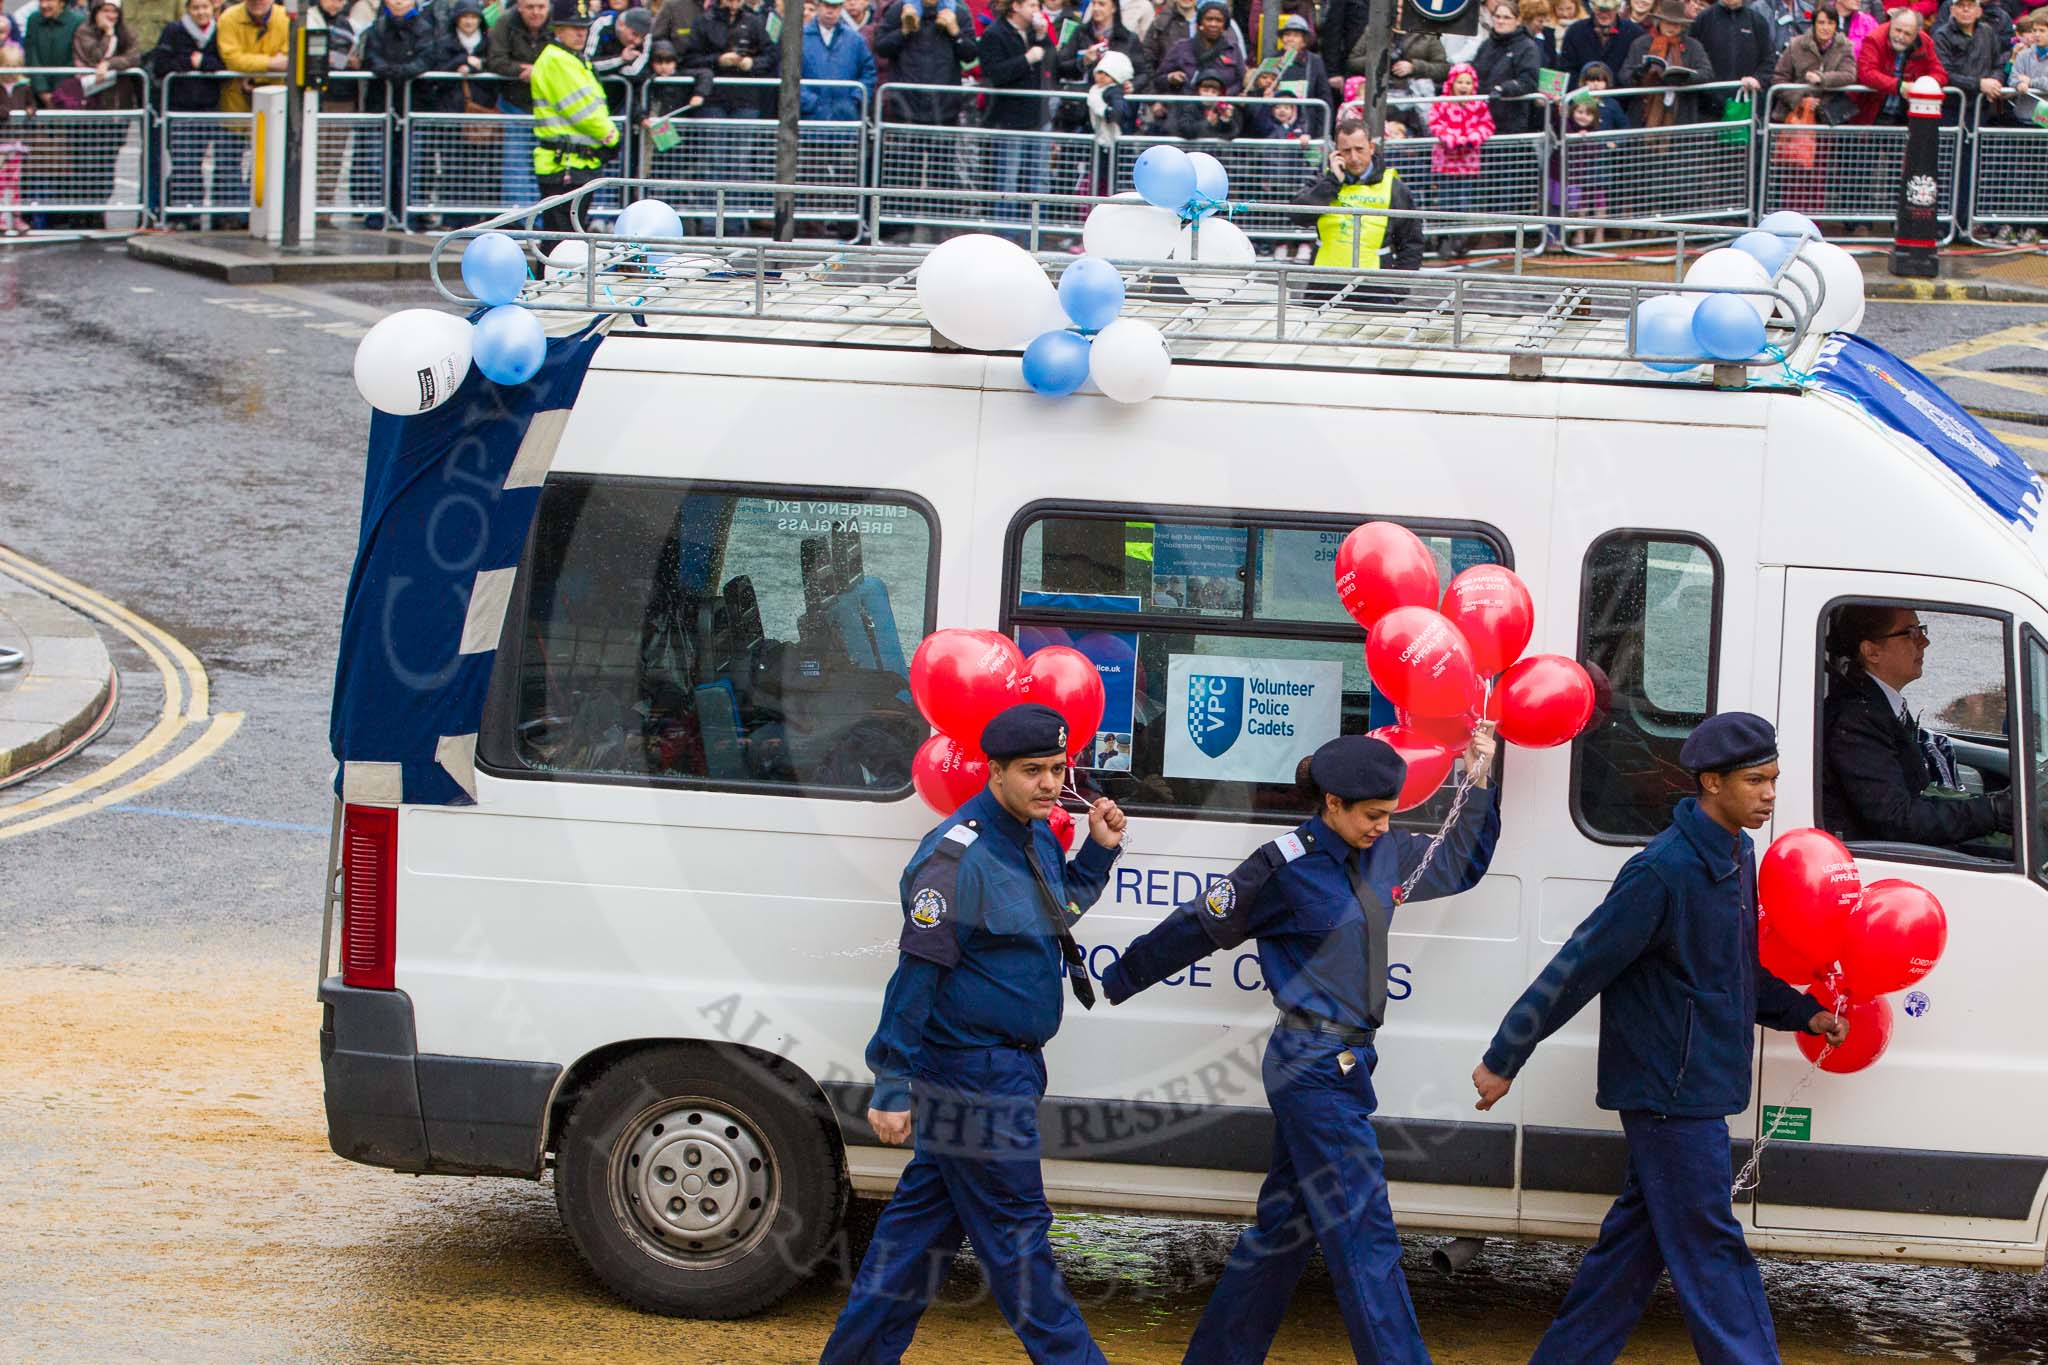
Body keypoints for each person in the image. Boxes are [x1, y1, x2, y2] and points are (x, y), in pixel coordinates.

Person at [1102, 728, 1501, 1364]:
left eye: (1390, 815)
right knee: (1365, 1235)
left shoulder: (1388, 852)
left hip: (1346, 1064)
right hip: (1311, 1066)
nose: (1382, 826)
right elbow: (1197, 927)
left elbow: (1461, 861)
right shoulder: (1279, 866)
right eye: (1372, 815)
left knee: (1284, 1231)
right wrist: (1119, 978)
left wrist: (1478, 782)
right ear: (1333, 804)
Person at [1471, 712, 1850, 1365]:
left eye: (1774, 779)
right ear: (1710, 781)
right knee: (1711, 1249)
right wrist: (1506, 1054)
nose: (1769, 793)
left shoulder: (1738, 852)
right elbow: (1578, 966)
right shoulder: (1662, 871)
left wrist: (1804, 1013)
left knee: (1631, 1251)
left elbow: (1733, 969)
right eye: (1756, 780)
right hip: (1669, 1091)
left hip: (1699, 1081)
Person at [819, 703, 1128, 1365]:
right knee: (1020, 1245)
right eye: (1032, 770)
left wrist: (1099, 852)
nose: (1049, 783)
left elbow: (1059, 908)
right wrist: (893, 1082)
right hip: (974, 1078)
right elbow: (915, 980)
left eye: (1057, 767)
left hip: (1007, 1070)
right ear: (993, 769)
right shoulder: (955, 859)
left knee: (914, 1242)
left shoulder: (1036, 832)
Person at [1819, 605, 2011, 848]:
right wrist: (1994, 811)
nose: (1924, 641)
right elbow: (1898, 820)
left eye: (1920, 630)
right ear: (1872, 651)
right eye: (1910, 633)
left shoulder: (1876, 703)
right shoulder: (1857, 720)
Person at [526, 0, 619, 234]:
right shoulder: (557, 59)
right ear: (558, 30)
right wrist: (611, 136)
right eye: (573, 28)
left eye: (584, 28)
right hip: (565, 164)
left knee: (566, 236)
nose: (581, 33)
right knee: (561, 239)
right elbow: (582, 113)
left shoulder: (574, 58)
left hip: (577, 162)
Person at [1295, 116, 1424, 271]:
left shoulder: (1393, 187)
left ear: (1371, 147)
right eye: (1346, 151)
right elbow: (1298, 216)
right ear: (1336, 152)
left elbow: (1411, 242)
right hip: (1324, 282)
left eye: (1359, 149)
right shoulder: (1324, 181)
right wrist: (1333, 183)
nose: (1354, 158)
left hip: (1374, 285)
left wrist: (1398, 288)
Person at [979, 0, 1055, 234]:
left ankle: (1036, 232)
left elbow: (1054, 61)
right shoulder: (994, 33)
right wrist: (1026, 59)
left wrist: (1043, 37)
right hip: (1009, 118)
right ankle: (1006, 235)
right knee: (1008, 180)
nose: (1037, 10)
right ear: (1015, 6)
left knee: (1039, 178)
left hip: (1038, 115)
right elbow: (993, 73)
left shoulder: (1034, 31)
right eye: (1031, 4)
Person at [150, 0, 225, 220]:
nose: (201, 12)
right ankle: (182, 213)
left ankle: (196, 211)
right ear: (188, 10)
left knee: (200, 160)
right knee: (183, 161)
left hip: (209, 106)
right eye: (196, 7)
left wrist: (203, 62)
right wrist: (187, 62)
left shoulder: (220, 30)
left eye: (205, 7)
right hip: (179, 106)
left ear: (212, 9)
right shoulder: (174, 30)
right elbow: (161, 64)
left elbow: (226, 62)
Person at [489, 0, 555, 209]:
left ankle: (544, 216)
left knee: (548, 166)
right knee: (516, 164)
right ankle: (517, 216)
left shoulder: (557, 24)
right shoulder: (504, 23)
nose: (536, 12)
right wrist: (520, 70)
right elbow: (496, 60)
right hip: (515, 104)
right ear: (519, 6)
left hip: (550, 107)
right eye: (530, 7)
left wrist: (540, 73)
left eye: (541, 7)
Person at [1430, 62, 1494, 250]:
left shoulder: (1478, 104)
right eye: (1460, 82)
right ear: (1452, 83)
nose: (1464, 86)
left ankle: (1459, 238)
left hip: (1468, 163)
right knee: (1445, 201)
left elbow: (1487, 126)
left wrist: (1473, 138)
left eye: (1468, 82)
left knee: (1463, 201)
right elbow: (1435, 124)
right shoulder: (1442, 102)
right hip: (1446, 163)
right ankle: (1443, 237)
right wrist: (1451, 139)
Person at [1621, 0, 1716, 124]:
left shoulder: (1693, 46)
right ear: (1659, 22)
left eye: (1676, 24)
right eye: (1668, 23)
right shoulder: (1640, 44)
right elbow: (1624, 75)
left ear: (1682, 26)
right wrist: (1639, 73)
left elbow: (1707, 73)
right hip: (1644, 111)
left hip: (1681, 111)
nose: (1672, 28)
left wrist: (1685, 76)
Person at [1855, 5, 1946, 122]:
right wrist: (1900, 86)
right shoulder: (1874, 39)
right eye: (1897, 30)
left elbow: (1940, 73)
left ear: (1917, 33)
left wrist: (1922, 86)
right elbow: (1866, 73)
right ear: (1891, 24)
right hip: (1874, 111)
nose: (1900, 36)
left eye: (1907, 34)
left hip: (1908, 113)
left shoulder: (1925, 42)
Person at [1473, 0, 1545, 133]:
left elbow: (1528, 81)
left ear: (1517, 20)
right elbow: (1475, 72)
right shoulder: (1486, 45)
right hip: (1482, 119)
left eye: (1506, 17)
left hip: (1511, 121)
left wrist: (1503, 88)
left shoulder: (1527, 47)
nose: (1501, 21)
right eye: (1497, 17)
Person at [1154, 0, 1245, 91]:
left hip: (1224, 103)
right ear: (1199, 23)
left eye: (1219, 20)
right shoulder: (1181, 48)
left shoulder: (1233, 49)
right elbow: (1159, 80)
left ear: (1224, 26)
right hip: (1186, 102)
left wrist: (1222, 97)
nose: (1213, 24)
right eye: (1209, 19)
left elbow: (1241, 81)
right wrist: (1171, 78)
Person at [1692, 0, 1774, 94]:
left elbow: (1768, 58)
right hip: (1708, 99)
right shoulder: (1703, 19)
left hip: (1747, 98)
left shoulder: (1757, 21)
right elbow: (1691, 56)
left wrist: (1758, 79)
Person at [1560, 0, 1643, 86]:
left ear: (1618, 9)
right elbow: (1567, 69)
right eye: (1600, 9)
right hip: (1582, 95)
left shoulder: (1634, 32)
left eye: (1609, 10)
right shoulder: (1575, 31)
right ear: (1592, 7)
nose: (1604, 14)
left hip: (1620, 96)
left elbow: (1635, 73)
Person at [0, 42, 30, 235]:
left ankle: (17, 217)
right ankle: (1, 216)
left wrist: (30, 110)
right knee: (1, 182)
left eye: (14, 67)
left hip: (17, 143)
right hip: (1, 143)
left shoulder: (24, 86)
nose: (11, 71)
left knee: (16, 182)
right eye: (7, 66)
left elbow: (31, 103)